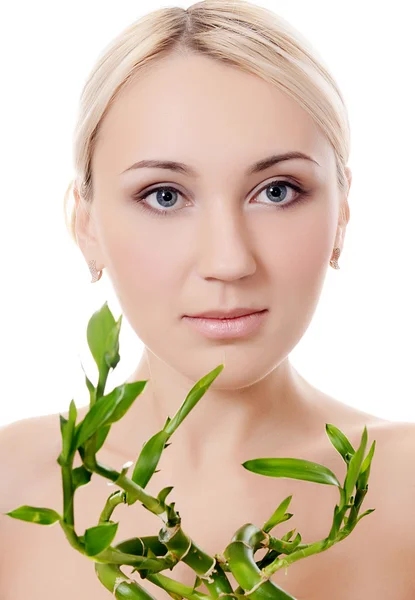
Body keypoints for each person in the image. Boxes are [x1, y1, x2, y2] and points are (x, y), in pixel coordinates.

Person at [1, 2, 414, 599]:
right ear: (85, 224)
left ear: (342, 213)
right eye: (164, 196)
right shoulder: (12, 487)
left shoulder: (404, 486)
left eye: (277, 191)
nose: (229, 261)